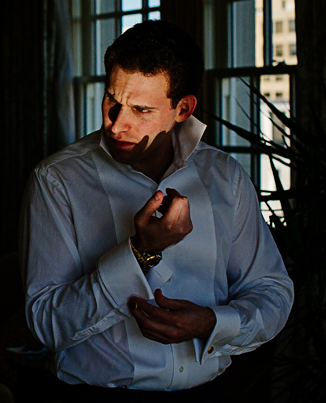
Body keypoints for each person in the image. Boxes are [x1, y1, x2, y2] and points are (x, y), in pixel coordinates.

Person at [19, 20, 294, 401]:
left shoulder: (224, 176)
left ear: (183, 108)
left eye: (141, 110)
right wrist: (139, 253)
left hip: (214, 392)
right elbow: (46, 325)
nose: (117, 124)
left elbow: (272, 291)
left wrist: (212, 322)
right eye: (111, 100)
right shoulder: (56, 180)